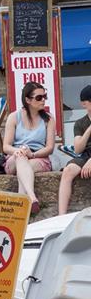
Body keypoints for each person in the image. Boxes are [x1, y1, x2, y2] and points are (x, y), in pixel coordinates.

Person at [2, 82, 56, 215]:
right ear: (27, 100)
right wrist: (18, 151)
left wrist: (32, 154)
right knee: (21, 157)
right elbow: (6, 146)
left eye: (45, 96)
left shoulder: (48, 119)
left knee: (23, 164)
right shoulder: (14, 117)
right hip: (15, 157)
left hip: (38, 157)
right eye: (39, 97)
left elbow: (50, 148)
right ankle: (32, 197)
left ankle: (23, 202)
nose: (43, 100)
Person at [58, 85, 91, 215]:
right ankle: (61, 216)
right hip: (85, 155)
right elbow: (78, 149)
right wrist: (89, 129)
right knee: (68, 170)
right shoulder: (80, 123)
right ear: (84, 103)